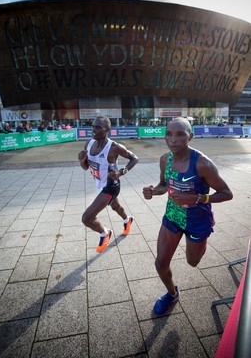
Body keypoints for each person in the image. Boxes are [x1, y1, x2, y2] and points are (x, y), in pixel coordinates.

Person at [143, 117, 233, 316]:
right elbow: (164, 184)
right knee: (160, 264)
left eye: (180, 134)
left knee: (193, 262)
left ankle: (200, 243)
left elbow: (227, 193)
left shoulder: (202, 164)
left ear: (190, 136)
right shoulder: (165, 159)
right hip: (173, 216)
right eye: (169, 134)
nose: (173, 139)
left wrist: (197, 198)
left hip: (197, 222)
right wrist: (153, 191)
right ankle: (172, 293)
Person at [78, 115, 138, 253]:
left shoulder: (114, 147)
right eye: (92, 126)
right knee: (115, 206)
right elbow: (86, 167)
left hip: (111, 185)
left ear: (107, 130)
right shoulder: (88, 144)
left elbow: (134, 158)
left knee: (87, 218)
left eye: (98, 127)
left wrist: (122, 172)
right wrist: (82, 161)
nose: (93, 130)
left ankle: (105, 233)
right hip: (99, 183)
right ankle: (127, 219)